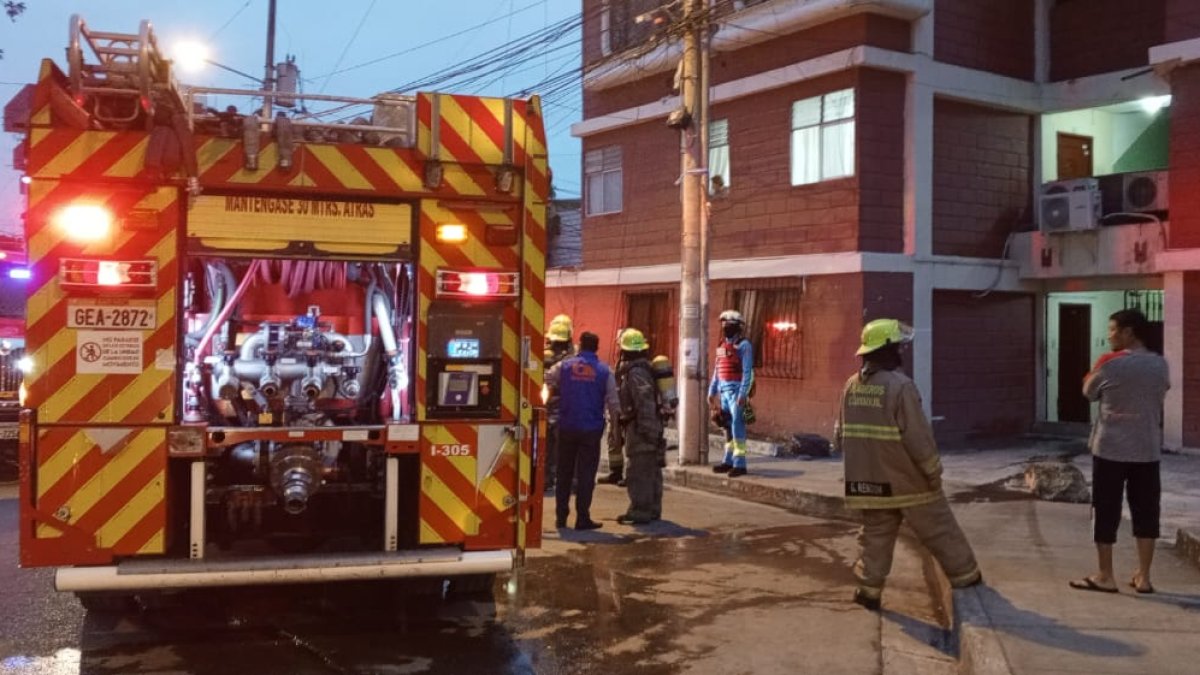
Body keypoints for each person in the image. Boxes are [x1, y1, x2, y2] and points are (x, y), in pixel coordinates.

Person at [836, 318, 981, 611]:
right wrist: (932, 471)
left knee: (875, 537)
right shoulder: (900, 387)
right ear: (887, 349)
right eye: (899, 346)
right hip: (907, 480)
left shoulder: (851, 386)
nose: (902, 350)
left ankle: (869, 591)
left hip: (868, 481)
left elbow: (841, 436)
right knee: (940, 528)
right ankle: (967, 577)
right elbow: (918, 437)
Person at [1069, 309, 1169, 595]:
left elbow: (1089, 391)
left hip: (1110, 448)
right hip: (1147, 449)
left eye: (1113, 329)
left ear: (1128, 332)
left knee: (1106, 509)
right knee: (1147, 510)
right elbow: (1162, 391)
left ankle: (1105, 575)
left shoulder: (1109, 362)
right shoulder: (1161, 364)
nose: (1109, 334)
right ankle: (1145, 576)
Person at [551, 331, 619, 531]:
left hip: (566, 427)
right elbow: (614, 404)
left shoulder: (563, 367)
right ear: (596, 348)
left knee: (564, 473)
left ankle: (561, 517)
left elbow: (547, 381)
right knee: (586, 474)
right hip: (591, 429)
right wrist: (615, 429)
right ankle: (582, 518)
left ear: (579, 346)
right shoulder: (605, 371)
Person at [613, 329, 665, 525]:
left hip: (641, 427)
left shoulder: (636, 373)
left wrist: (646, 430)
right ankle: (652, 509)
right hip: (649, 426)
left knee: (638, 470)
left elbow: (644, 402)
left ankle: (640, 510)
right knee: (651, 469)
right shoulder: (644, 369)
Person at [709, 310, 754, 477]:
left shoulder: (744, 345)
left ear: (737, 326)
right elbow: (717, 369)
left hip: (736, 392)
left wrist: (743, 394)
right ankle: (727, 461)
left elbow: (747, 372)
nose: (725, 328)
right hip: (723, 392)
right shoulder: (722, 345)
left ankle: (740, 464)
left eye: (728, 325)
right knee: (727, 428)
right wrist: (712, 390)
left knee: (737, 427)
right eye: (723, 325)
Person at [542, 316, 574, 493]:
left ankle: (546, 479)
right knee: (565, 450)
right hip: (566, 411)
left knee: (545, 449)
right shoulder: (573, 359)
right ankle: (566, 481)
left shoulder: (544, 356)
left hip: (546, 410)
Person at [599, 329, 631, 487]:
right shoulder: (622, 359)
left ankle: (630, 475)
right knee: (614, 439)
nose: (617, 344)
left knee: (630, 442)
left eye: (619, 341)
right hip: (618, 405)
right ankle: (615, 472)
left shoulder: (631, 361)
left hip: (627, 408)